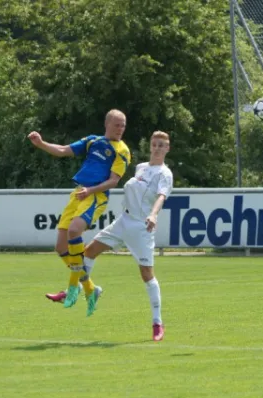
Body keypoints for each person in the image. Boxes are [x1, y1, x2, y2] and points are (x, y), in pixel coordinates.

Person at [50, 131, 173, 341]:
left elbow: (161, 196)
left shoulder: (165, 174)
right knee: (87, 252)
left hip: (142, 227)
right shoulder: (141, 167)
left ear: (167, 149)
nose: (158, 148)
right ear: (150, 146)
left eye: (162, 145)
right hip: (123, 221)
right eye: (155, 144)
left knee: (147, 275)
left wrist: (153, 214)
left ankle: (157, 322)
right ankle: (75, 290)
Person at [28, 109, 131, 308]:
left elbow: (113, 181)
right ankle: (90, 287)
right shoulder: (92, 141)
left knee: (75, 231)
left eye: (123, 125)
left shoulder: (122, 150)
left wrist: (90, 190)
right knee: (60, 247)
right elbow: (62, 150)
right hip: (78, 193)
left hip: (95, 195)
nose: (121, 129)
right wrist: (41, 143)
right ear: (107, 124)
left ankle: (73, 289)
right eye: (117, 124)